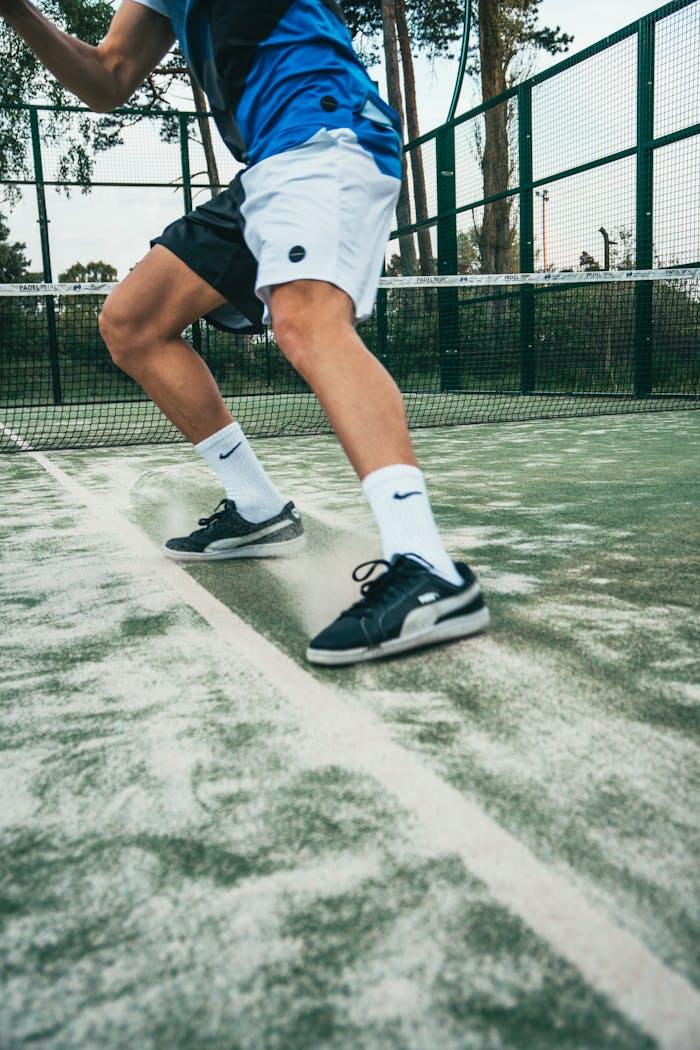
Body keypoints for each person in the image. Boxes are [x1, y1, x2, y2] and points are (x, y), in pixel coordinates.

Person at [2, 0, 489, 664]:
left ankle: (425, 564)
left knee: (308, 323)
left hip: (325, 130)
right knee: (132, 323)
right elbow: (108, 77)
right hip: (268, 163)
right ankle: (259, 509)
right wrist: (20, 14)